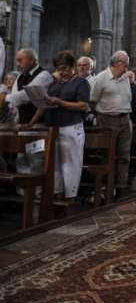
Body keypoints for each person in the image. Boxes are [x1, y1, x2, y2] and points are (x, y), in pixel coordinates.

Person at [27, 51, 90, 200]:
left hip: (71, 127)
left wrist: (61, 102)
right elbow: (42, 106)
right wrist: (31, 123)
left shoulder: (81, 82)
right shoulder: (53, 84)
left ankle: (70, 198)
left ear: (72, 66)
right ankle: (56, 197)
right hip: (53, 128)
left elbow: (83, 106)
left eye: (66, 68)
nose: (63, 72)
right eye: (60, 69)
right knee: (54, 165)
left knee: (70, 165)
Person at [90, 51, 132, 197]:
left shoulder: (125, 78)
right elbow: (93, 100)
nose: (127, 67)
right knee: (107, 155)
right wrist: (101, 116)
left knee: (124, 155)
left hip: (125, 119)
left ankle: (121, 187)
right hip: (107, 120)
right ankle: (106, 188)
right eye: (125, 64)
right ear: (117, 63)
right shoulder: (101, 78)